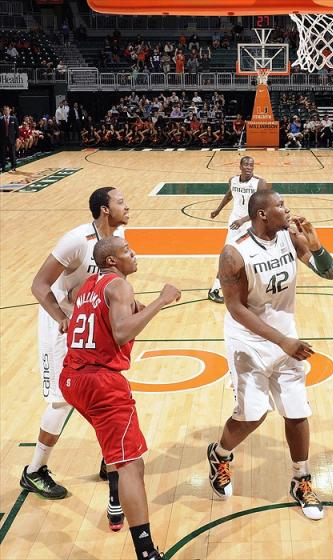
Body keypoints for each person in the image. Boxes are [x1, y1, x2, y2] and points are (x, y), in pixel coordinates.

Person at [206, 190, 333, 521]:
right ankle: (220, 454)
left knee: (296, 412)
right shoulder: (234, 253)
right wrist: (282, 340)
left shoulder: (290, 238)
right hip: (248, 342)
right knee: (253, 416)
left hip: (286, 337)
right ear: (262, 214)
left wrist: (317, 246)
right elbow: (234, 307)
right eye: (280, 205)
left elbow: (329, 272)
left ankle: (301, 479)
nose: (287, 208)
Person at [60, 236, 180, 559]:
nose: (134, 253)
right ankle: (146, 552)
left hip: (72, 377)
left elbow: (76, 300)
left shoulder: (88, 285)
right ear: (112, 261)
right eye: (127, 251)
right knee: (131, 464)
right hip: (101, 383)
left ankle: (115, 503)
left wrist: (125, 308)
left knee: (117, 448)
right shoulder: (120, 287)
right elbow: (123, 332)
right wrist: (160, 300)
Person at [25, 187, 128, 529]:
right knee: (60, 401)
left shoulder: (118, 237)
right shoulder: (76, 240)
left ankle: (108, 456)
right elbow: (39, 285)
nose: (126, 206)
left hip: (91, 320)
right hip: (61, 321)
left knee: (104, 388)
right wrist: (61, 317)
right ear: (104, 209)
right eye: (120, 201)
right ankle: (34, 470)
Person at [208, 156, 270, 303]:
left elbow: (261, 208)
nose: (249, 167)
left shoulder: (260, 183)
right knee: (228, 257)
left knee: (255, 256)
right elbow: (229, 195)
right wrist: (218, 210)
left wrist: (243, 220)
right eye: (246, 165)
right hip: (234, 224)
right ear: (240, 166)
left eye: (252, 165)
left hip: (250, 223)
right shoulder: (233, 180)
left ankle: (257, 287)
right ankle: (214, 289)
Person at [1, 105, 18, 172]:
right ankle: (3, 167)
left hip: (11, 139)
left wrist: (17, 138)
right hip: (3, 139)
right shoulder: (0, 119)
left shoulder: (14, 118)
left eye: (7, 110)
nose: (6, 111)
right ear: (3, 111)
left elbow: (17, 129)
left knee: (12, 153)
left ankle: (13, 166)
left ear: (10, 110)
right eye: (5, 110)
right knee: (3, 153)